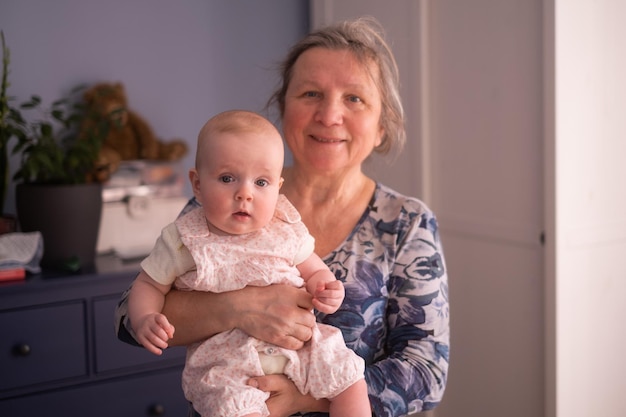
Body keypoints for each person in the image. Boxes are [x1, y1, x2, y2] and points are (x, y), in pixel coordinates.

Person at [115, 16, 450, 417]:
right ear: (282, 109)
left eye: (354, 98)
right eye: (310, 93)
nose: (329, 115)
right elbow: (128, 320)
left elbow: (426, 372)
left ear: (381, 126)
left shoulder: (407, 223)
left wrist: (306, 398)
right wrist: (237, 307)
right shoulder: (224, 199)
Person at [127, 110, 370, 417]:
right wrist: (144, 317)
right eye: (227, 178)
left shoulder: (284, 228)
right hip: (228, 364)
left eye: (261, 182)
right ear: (198, 185)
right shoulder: (184, 239)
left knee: (349, 379)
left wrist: (325, 287)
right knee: (234, 408)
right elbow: (148, 284)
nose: (245, 193)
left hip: (304, 348)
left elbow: (314, 269)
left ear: (277, 188)